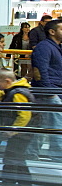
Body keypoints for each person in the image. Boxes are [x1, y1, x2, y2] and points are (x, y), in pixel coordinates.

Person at [0, 67, 35, 186]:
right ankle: (25, 183)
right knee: (18, 157)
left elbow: (24, 116)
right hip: (22, 132)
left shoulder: (18, 94)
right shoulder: (13, 91)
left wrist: (13, 130)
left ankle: (8, 182)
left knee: (10, 157)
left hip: (22, 132)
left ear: (7, 82)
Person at [30, 19, 62, 159]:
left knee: (50, 126)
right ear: (52, 31)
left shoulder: (55, 47)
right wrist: (50, 93)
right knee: (53, 126)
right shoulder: (44, 47)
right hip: (48, 94)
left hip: (54, 92)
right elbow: (40, 71)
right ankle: (56, 157)